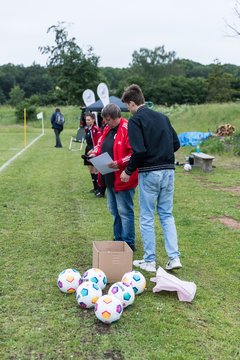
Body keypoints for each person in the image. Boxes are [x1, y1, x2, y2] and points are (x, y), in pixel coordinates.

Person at [121, 84, 181, 272]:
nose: (129, 111)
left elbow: (138, 151)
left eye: (128, 107)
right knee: (166, 214)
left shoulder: (135, 120)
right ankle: (174, 257)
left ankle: (149, 260)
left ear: (132, 103)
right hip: (168, 171)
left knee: (147, 216)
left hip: (150, 173)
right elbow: (176, 144)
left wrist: (128, 171)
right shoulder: (163, 117)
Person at [90, 103, 138, 251]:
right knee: (114, 210)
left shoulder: (127, 128)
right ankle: (118, 239)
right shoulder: (107, 128)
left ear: (115, 117)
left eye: (108, 120)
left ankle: (128, 243)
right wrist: (95, 151)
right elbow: (100, 143)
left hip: (123, 178)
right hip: (110, 178)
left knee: (125, 211)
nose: (106, 123)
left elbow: (134, 154)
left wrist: (118, 163)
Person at [82, 112, 102, 194]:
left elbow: (99, 143)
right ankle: (95, 187)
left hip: (94, 150)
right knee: (90, 169)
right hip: (88, 149)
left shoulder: (96, 129)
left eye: (89, 120)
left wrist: (93, 150)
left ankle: (99, 188)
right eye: (86, 120)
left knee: (96, 170)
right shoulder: (87, 129)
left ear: (93, 120)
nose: (87, 121)